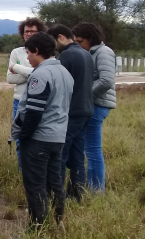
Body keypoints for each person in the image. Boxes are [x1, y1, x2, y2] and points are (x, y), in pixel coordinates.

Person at [11, 32, 73, 232]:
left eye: (28, 53)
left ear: (37, 51)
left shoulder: (41, 74)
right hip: (58, 137)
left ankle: (36, 228)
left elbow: (34, 112)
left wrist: (24, 136)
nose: (27, 57)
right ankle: (57, 223)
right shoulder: (64, 72)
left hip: (39, 138)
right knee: (55, 183)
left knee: (35, 185)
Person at [47, 24, 93, 203]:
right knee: (77, 155)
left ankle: (56, 197)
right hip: (86, 110)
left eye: (53, 42)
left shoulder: (67, 55)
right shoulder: (86, 54)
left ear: (60, 37)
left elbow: (60, 83)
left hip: (71, 112)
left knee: (59, 155)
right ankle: (77, 194)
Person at [73, 22, 116, 192]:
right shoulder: (91, 52)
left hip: (97, 104)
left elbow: (106, 81)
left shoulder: (103, 53)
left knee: (92, 150)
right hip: (92, 104)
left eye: (80, 40)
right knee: (89, 149)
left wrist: (84, 94)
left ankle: (96, 190)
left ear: (90, 38)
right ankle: (92, 187)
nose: (78, 44)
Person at [7, 17, 48, 169]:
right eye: (26, 31)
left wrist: (17, 68)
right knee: (19, 138)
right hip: (19, 100)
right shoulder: (16, 52)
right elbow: (10, 78)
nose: (29, 34)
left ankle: (36, 171)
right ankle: (22, 171)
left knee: (37, 138)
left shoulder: (47, 52)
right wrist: (32, 73)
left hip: (38, 102)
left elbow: (44, 74)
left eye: (33, 31)